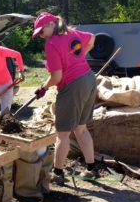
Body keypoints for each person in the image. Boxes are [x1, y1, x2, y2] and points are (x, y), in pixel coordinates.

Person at [31, 12, 98, 181]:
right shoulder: (72, 33)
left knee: (62, 134)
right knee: (81, 128)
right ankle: (92, 169)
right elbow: (92, 38)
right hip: (89, 79)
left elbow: (57, 78)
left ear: (51, 25)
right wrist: (81, 56)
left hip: (73, 85)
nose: (40, 35)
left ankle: (57, 173)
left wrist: (44, 88)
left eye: (41, 30)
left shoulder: (52, 43)